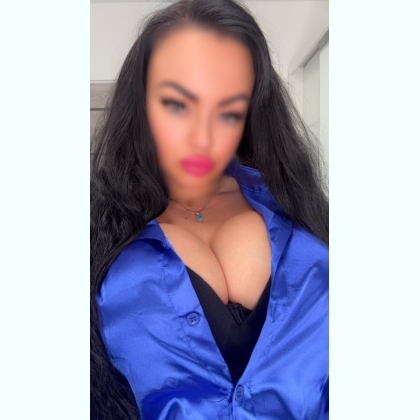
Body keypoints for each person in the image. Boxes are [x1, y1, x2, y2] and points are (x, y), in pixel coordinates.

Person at [90, 0, 329, 419]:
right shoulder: (95, 234)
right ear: (141, 103)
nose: (202, 136)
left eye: (228, 111)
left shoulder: (300, 211)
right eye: (177, 104)